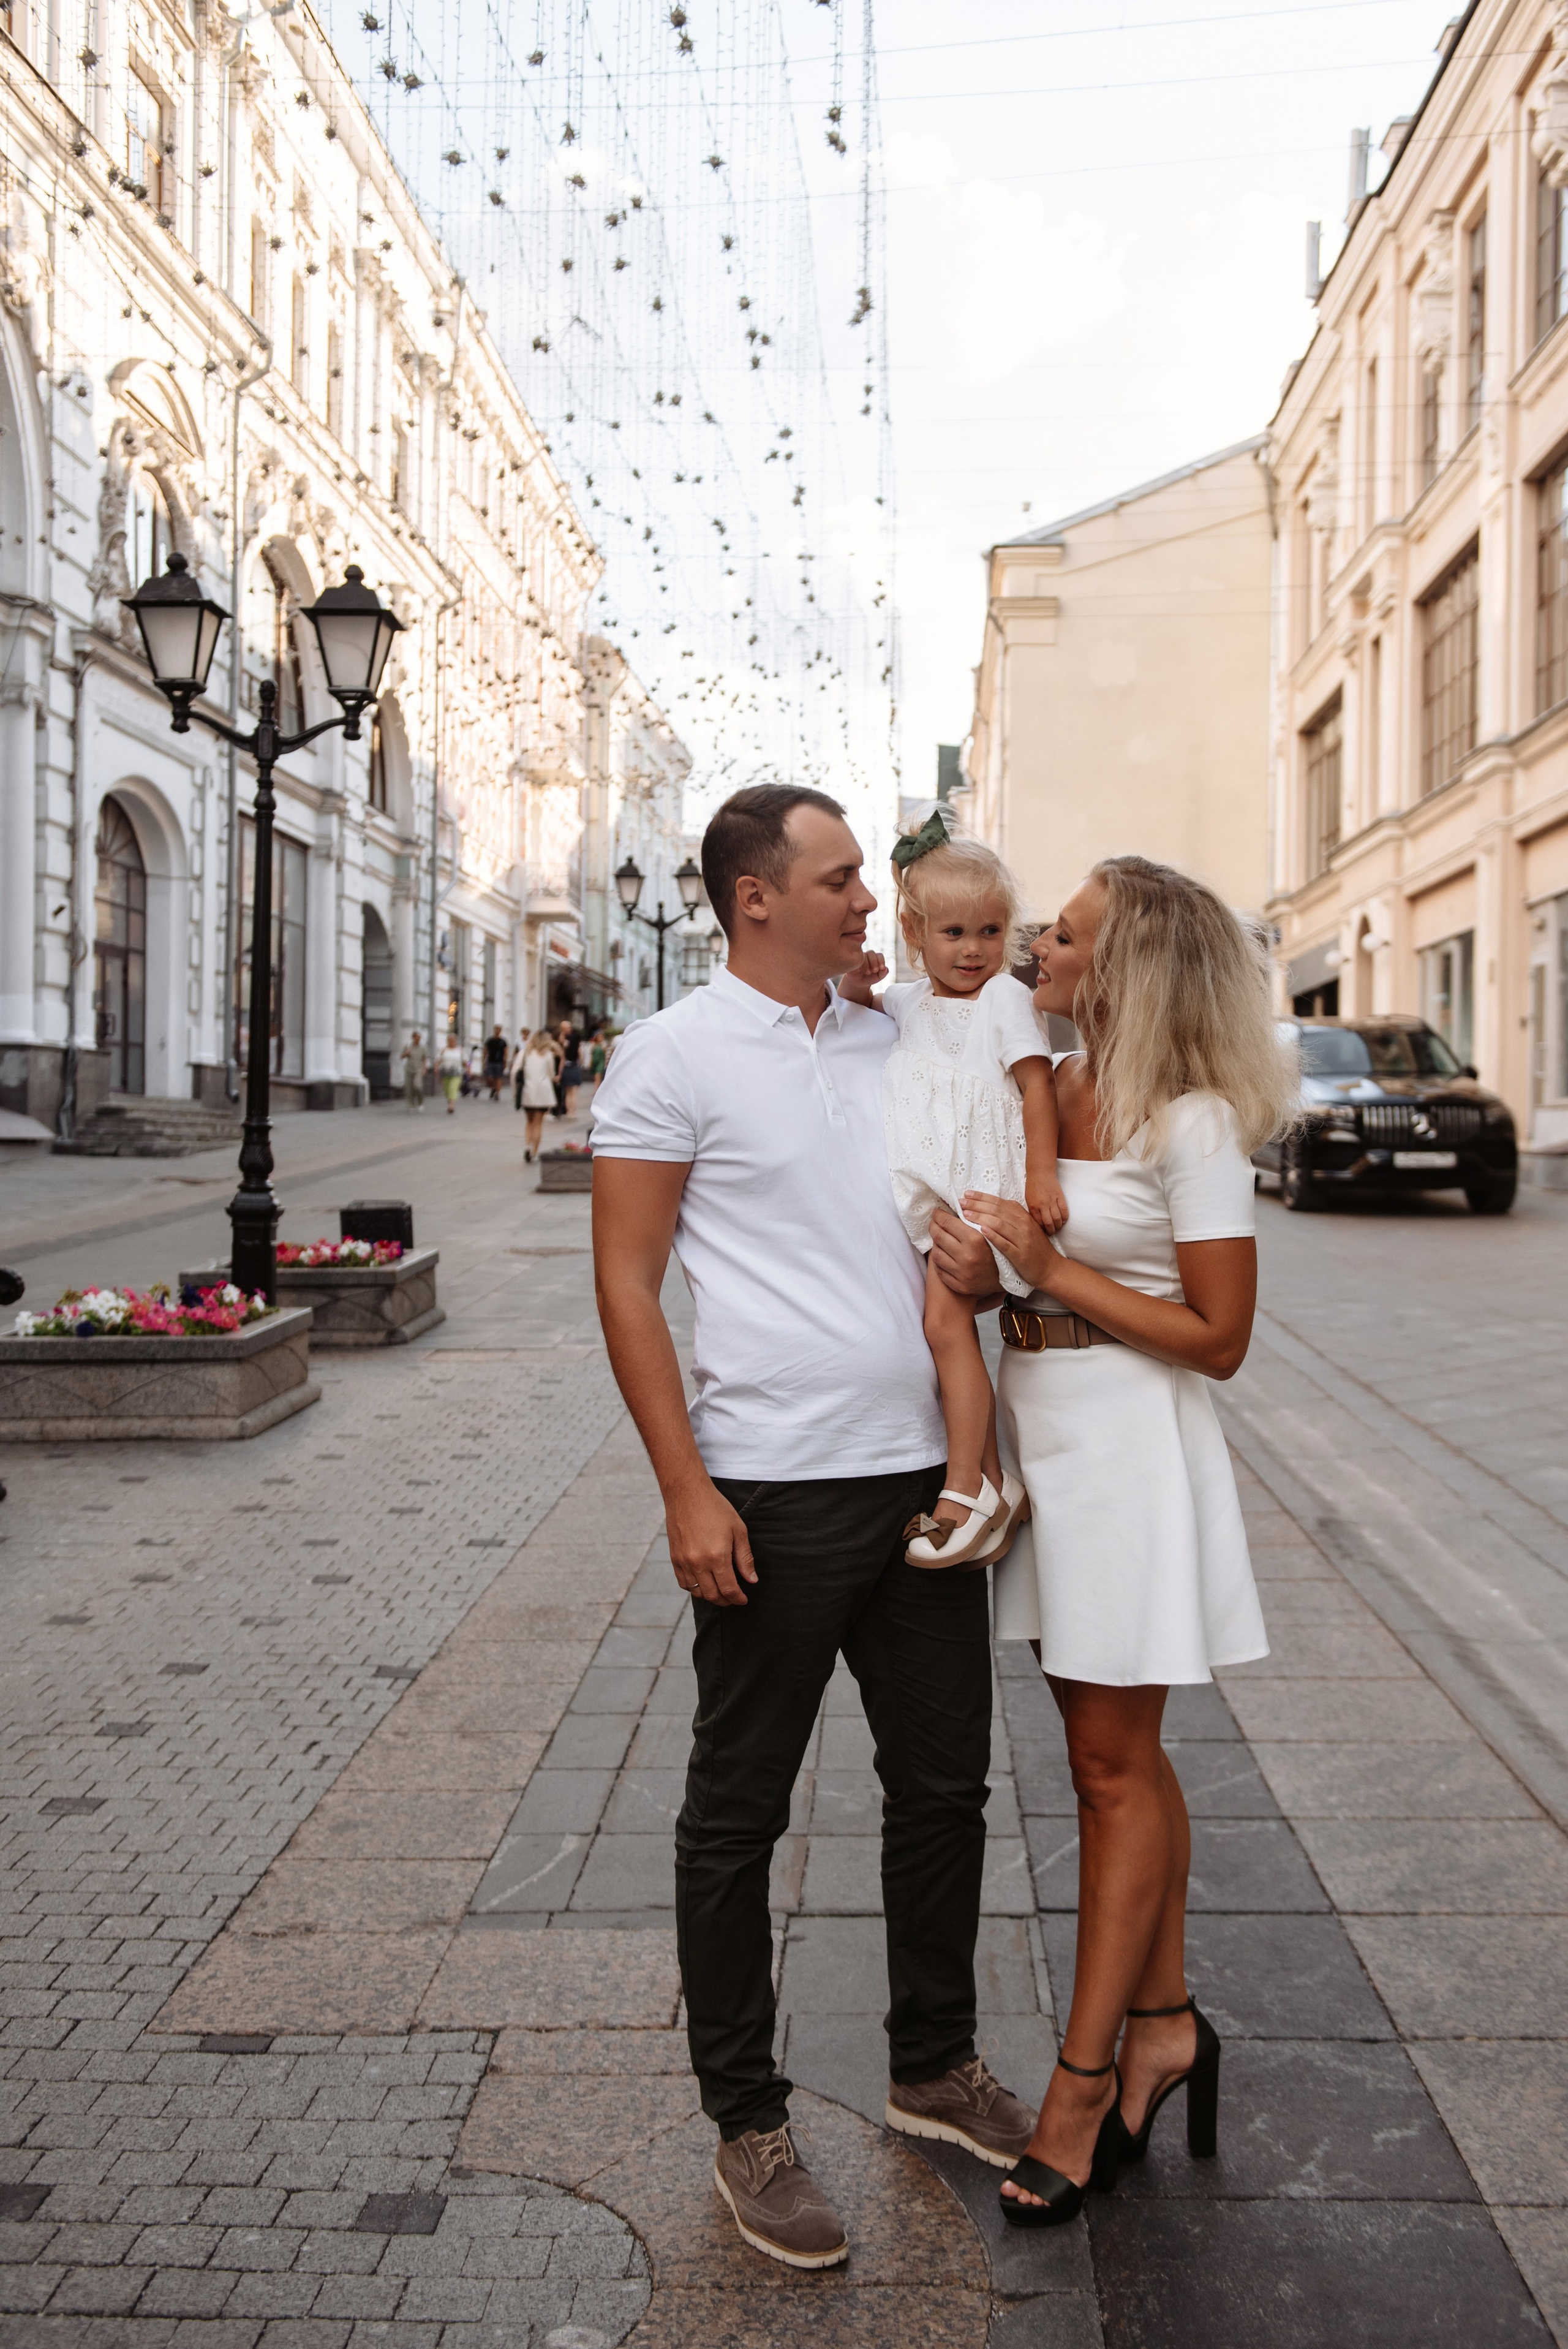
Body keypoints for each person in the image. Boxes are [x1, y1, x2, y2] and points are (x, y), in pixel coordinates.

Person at [591, 784, 1035, 2274]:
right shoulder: (669, 1054)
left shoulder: (898, 1028)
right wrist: (684, 1486)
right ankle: (747, 2120)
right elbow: (626, 1281)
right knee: (737, 1813)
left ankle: (933, 2062)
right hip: (769, 1491)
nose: (869, 900)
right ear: (754, 897)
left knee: (943, 1789)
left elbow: (1020, 1044)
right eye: (841, 878)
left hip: (925, 1481)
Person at [958, 855, 1295, 2229]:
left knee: (1106, 1772)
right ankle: (1162, 2025)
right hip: (1045, 1427)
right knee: (1117, 1758)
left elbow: (1221, 1337)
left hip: (1130, 1449)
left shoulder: (1192, 1121)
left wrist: (1049, 1270)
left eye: (1066, 931)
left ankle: (1083, 2081)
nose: (1037, 943)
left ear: (1130, 963)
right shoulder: (1047, 1079)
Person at [839, 820, 1062, 1567]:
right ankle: (993, 1482)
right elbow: (861, 1020)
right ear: (914, 933)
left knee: (944, 1329)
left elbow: (1036, 1089)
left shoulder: (1003, 999)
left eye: (990, 931)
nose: (974, 950)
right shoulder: (906, 1004)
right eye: (954, 932)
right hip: (938, 1197)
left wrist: (1039, 1177)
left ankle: (966, 1488)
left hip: (981, 1196)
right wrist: (856, 987)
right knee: (943, 1332)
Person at [518, 1026, 562, 1162]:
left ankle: (527, 1146)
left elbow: (515, 1071)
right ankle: (534, 1153)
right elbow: (551, 1074)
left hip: (528, 1091)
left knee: (529, 1122)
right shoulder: (548, 1055)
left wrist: (515, 1092)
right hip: (542, 1093)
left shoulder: (525, 1053)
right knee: (538, 1124)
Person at [436, 1032, 464, 1115]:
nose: (452, 1042)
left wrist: (469, 1068)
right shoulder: (444, 1050)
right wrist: (436, 1067)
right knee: (447, 1090)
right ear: (448, 1041)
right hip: (445, 1073)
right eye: (450, 1040)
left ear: (456, 1041)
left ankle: (451, 1106)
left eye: (453, 1040)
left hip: (457, 1073)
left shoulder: (460, 1050)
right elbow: (438, 1060)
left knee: (453, 1088)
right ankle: (450, 1102)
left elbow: (466, 1061)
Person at [400, 1031, 426, 1113]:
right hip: (409, 1069)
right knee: (409, 1088)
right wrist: (406, 1053)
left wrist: (424, 1069)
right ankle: (411, 1105)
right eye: (417, 1037)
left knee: (417, 1086)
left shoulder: (422, 1048)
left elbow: (424, 1059)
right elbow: (401, 1057)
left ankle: (420, 1103)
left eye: (419, 1037)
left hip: (418, 1069)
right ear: (413, 1038)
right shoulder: (408, 1046)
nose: (418, 1039)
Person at [483, 1025, 508, 1103]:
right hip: (491, 1061)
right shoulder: (490, 1041)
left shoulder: (503, 1042)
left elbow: (506, 1052)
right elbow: (486, 1050)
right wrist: (484, 1060)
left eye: (499, 1030)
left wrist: (505, 1062)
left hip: (499, 1062)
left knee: (498, 1078)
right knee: (490, 1078)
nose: (498, 1031)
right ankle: (494, 1088)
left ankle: (497, 1094)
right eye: (496, 1029)